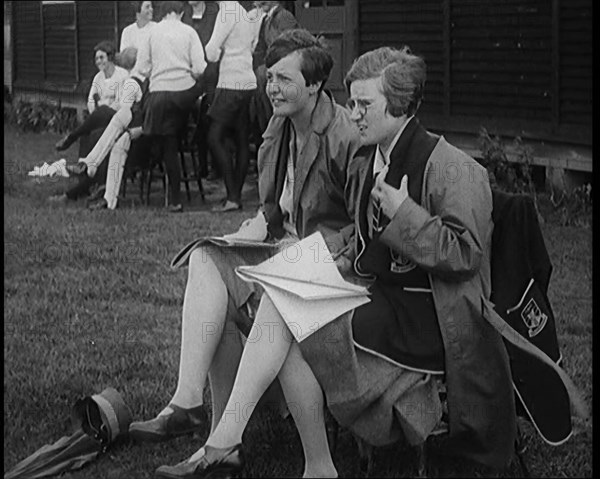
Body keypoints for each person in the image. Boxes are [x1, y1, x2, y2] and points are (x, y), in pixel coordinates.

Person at [154, 46, 519, 478]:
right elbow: (362, 243)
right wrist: (308, 260)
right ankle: (283, 457)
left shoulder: (453, 168)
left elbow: (465, 255)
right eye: (353, 101)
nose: (354, 113)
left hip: (428, 319)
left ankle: (238, 444)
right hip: (376, 298)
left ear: (400, 106)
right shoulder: (370, 159)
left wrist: (406, 215)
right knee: (282, 297)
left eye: (365, 104)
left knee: (285, 310)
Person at [127, 29, 362, 479]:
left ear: (314, 85)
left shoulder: (343, 133)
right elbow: (277, 205)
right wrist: (259, 224)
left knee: (271, 302)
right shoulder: (279, 123)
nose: (272, 87)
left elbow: (363, 225)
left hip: (335, 266)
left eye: (284, 79)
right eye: (269, 76)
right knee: (206, 257)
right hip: (287, 252)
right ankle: (188, 402)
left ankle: (227, 442)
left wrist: (306, 250)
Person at [134, 0, 207, 212]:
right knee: (175, 131)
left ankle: (173, 197)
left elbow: (142, 67)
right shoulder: (189, 32)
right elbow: (201, 68)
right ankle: (188, 139)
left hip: (159, 96)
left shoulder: (151, 33)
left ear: (161, 13)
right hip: (184, 95)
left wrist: (158, 69)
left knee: (167, 142)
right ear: (182, 13)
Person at [204, 1, 260, 212]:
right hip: (247, 79)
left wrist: (216, 55)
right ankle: (234, 197)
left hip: (231, 81)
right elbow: (252, 45)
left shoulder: (226, 11)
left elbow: (211, 49)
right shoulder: (244, 13)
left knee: (214, 137)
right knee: (241, 139)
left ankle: (233, 196)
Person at [55, 41, 129, 152]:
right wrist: (95, 112)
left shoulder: (122, 75)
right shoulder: (98, 78)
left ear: (110, 57)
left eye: (101, 58)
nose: (98, 61)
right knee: (87, 135)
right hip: (100, 116)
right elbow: (90, 100)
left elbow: (120, 103)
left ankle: (73, 136)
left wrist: (104, 107)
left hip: (117, 115)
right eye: (96, 59)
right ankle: (82, 165)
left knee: (103, 110)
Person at [251, 1, 299, 141]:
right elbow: (260, 49)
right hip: (268, 74)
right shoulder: (267, 19)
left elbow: (289, 46)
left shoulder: (284, 17)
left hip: (282, 74)